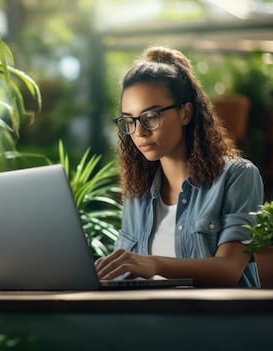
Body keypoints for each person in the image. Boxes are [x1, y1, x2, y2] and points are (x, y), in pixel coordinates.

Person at [94, 46, 263, 287]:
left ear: (185, 113)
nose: (139, 131)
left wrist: (154, 263)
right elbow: (124, 275)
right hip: (150, 320)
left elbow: (229, 269)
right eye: (129, 121)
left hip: (219, 321)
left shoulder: (237, 176)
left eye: (151, 116)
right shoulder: (138, 194)